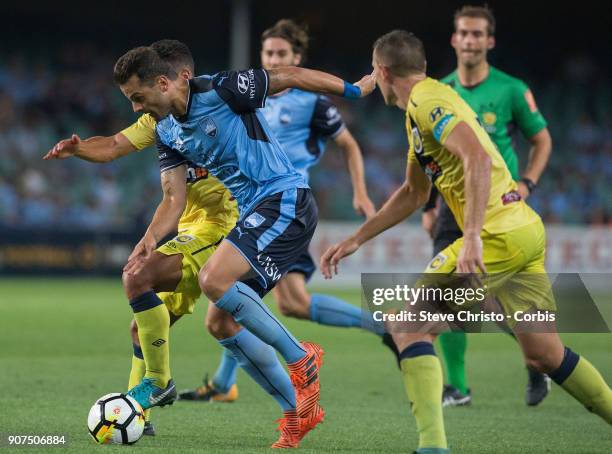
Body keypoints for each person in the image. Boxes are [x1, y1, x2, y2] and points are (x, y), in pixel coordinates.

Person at [320, 30, 612, 453]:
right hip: (523, 231)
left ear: (382, 71)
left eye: (373, 70)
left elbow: (475, 155)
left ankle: (432, 447)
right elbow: (414, 193)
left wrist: (471, 236)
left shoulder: (428, 101)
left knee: (407, 325)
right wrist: (356, 239)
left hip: (494, 235)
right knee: (544, 355)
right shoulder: (420, 109)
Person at [112, 44, 376, 447]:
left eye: (138, 97)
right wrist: (148, 241)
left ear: (163, 84)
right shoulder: (166, 130)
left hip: (284, 199)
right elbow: (173, 198)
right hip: (257, 210)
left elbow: (289, 75)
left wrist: (354, 90)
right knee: (220, 322)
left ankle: (301, 358)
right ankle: (298, 411)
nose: (135, 108)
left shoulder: (222, 89)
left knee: (212, 278)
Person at [179, 19, 385, 403]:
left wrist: (359, 191)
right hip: (248, 207)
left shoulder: (311, 101)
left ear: (295, 58)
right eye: (268, 53)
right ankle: (232, 387)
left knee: (279, 301)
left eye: (280, 54)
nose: (272, 59)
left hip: (284, 206)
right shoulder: (243, 98)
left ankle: (381, 327)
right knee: (236, 301)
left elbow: (350, 145)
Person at [422, 4, 553, 407]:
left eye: (478, 34)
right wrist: (429, 205)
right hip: (452, 208)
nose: (470, 40)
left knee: (508, 301)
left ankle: (539, 361)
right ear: (454, 38)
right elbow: (432, 154)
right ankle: (457, 387)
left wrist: (528, 182)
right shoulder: (439, 92)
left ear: (489, 41)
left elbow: (542, 140)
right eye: (464, 32)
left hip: (502, 210)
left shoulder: (512, 90)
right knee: (449, 296)